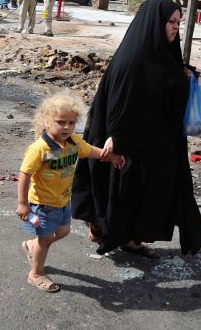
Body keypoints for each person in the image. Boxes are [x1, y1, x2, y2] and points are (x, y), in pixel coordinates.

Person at [72, 0, 201, 258]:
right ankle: (107, 229)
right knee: (126, 191)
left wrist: (186, 76)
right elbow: (120, 99)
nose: (175, 28)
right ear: (155, 23)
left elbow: (164, 84)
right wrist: (116, 137)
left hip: (155, 140)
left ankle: (130, 239)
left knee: (147, 192)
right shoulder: (134, 57)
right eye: (170, 22)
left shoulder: (164, 54)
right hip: (129, 140)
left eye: (178, 23)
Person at [17, 92, 125, 292]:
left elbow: (89, 150)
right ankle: (36, 273)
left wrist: (111, 157)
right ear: (46, 121)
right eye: (61, 122)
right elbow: (24, 174)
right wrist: (23, 203)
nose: (67, 127)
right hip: (43, 204)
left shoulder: (73, 142)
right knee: (46, 239)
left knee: (64, 231)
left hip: (63, 200)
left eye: (71, 122)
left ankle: (33, 246)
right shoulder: (39, 148)